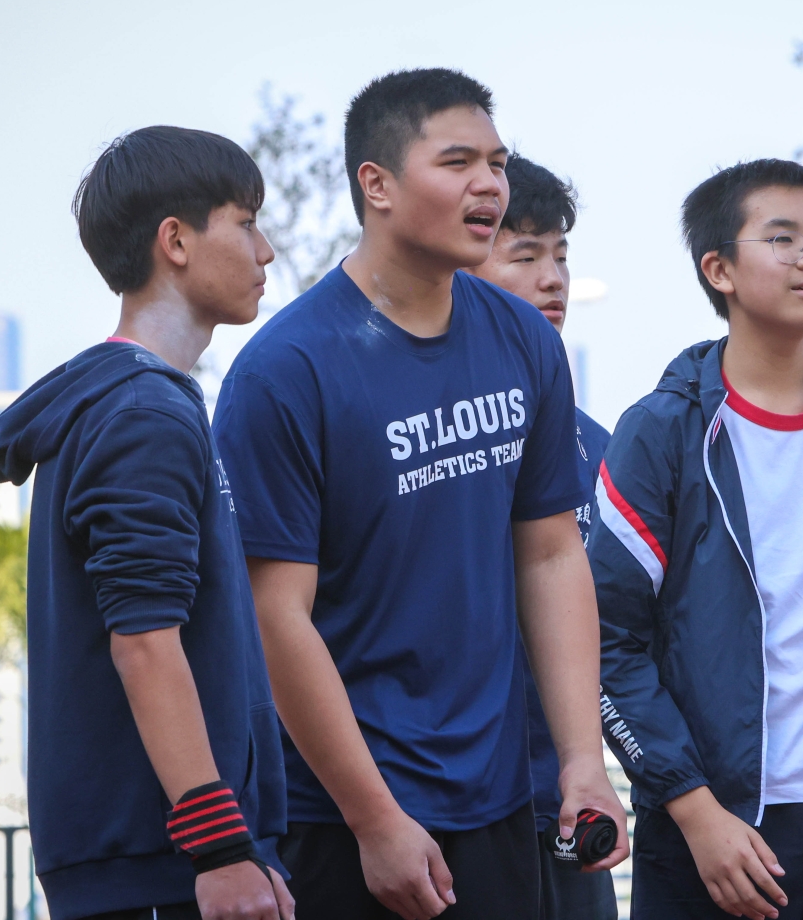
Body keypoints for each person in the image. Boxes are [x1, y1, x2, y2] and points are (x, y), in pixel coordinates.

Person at [213, 69, 628, 920]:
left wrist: (583, 761)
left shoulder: (524, 341)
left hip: (501, 801)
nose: (490, 186)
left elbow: (552, 556)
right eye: (457, 162)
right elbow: (275, 615)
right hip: (344, 816)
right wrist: (374, 819)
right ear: (378, 185)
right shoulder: (285, 371)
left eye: (496, 163)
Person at [589, 158, 803, 920]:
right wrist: (694, 809)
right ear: (719, 269)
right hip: (714, 830)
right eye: (783, 239)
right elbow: (606, 641)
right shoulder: (662, 431)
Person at [0, 127, 293, 920]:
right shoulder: (144, 414)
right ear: (175, 241)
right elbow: (144, 641)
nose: (267, 250)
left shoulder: (143, 400)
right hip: (163, 867)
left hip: (166, 860)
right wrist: (220, 848)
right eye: (246, 222)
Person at [466, 153, 618, 920]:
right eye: (524, 256)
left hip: (571, 800)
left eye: (560, 255)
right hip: (454, 805)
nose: (552, 278)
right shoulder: (431, 430)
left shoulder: (598, 443)